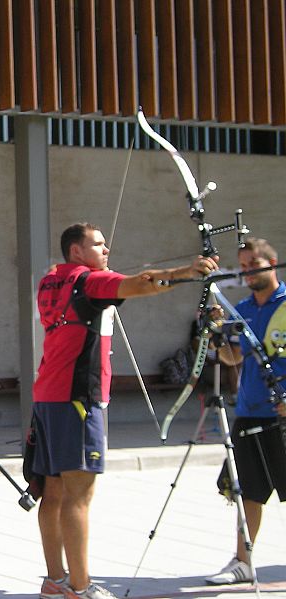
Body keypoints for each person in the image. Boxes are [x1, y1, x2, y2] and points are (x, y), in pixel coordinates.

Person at [33, 222, 218, 599]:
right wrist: (186, 272)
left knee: (53, 494)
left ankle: (56, 580)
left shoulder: (52, 279)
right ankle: (81, 588)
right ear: (76, 252)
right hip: (78, 399)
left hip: (47, 396)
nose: (106, 251)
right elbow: (140, 283)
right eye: (98, 245)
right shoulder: (89, 280)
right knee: (78, 496)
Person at [205, 237, 286, 585]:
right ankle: (243, 561)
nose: (249, 271)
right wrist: (215, 336)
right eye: (244, 266)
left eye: (255, 263)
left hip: (282, 413)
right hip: (250, 410)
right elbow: (233, 358)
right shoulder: (243, 308)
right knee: (248, 492)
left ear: (273, 261)